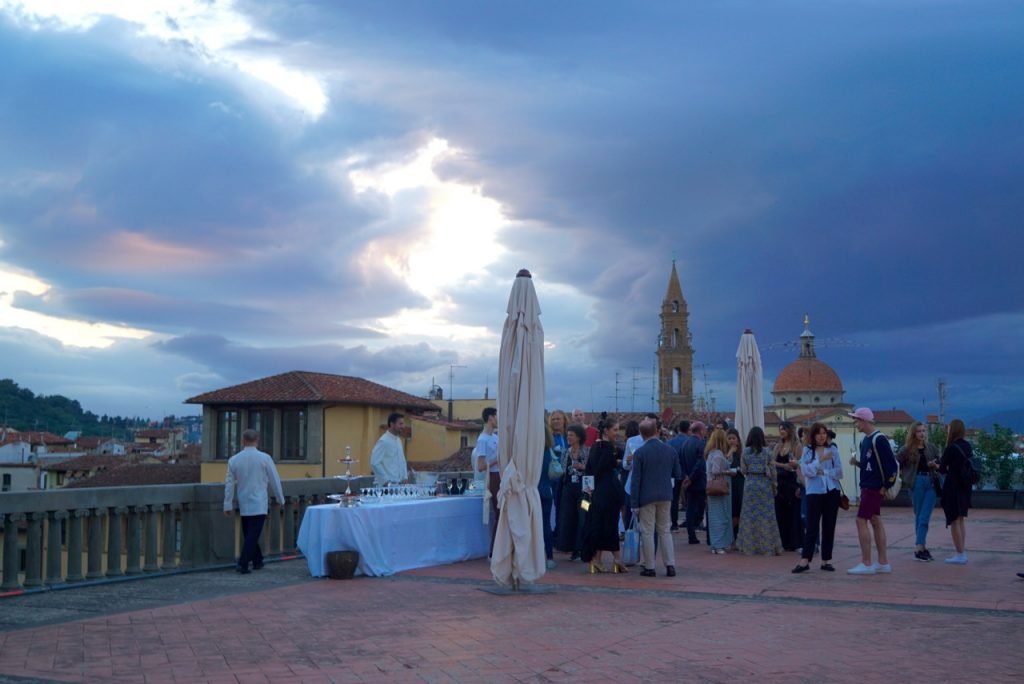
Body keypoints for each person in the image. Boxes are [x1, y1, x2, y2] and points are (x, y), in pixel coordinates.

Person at [223, 429, 285, 574]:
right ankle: (243, 563)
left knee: (249, 534)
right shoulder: (265, 458)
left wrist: (227, 504)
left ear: (243, 441)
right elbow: (274, 480)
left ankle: (257, 561)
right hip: (259, 502)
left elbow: (229, 485)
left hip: (244, 502)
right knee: (253, 535)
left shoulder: (234, 460)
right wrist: (280, 498)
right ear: (257, 440)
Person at [847, 407, 899, 575]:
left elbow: (891, 467)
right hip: (868, 486)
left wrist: (884, 487)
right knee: (876, 521)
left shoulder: (879, 439)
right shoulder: (866, 441)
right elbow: (871, 466)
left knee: (861, 520)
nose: (855, 424)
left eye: (856, 420)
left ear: (864, 420)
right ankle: (883, 562)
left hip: (873, 488)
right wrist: (857, 463)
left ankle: (867, 562)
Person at [630, 418, 681, 577]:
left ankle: (650, 566)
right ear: (657, 431)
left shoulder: (640, 453)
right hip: (666, 494)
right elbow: (677, 473)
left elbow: (636, 480)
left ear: (641, 434)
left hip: (646, 497)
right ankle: (670, 565)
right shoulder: (670, 450)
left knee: (647, 531)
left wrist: (634, 504)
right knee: (665, 530)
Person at [792, 422, 843, 573]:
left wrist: (823, 472)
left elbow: (839, 471)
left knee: (829, 526)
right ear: (813, 435)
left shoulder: (833, 449)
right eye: (818, 433)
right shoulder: (808, 450)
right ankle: (804, 560)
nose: (822, 436)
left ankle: (826, 560)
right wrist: (819, 461)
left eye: (824, 433)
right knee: (812, 525)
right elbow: (807, 471)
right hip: (814, 491)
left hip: (831, 490)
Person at [580, 414, 627, 573]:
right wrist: (617, 462)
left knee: (598, 525)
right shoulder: (606, 449)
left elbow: (590, 471)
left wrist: (587, 493)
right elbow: (599, 470)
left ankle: (598, 560)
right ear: (606, 431)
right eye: (615, 430)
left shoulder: (596, 446)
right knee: (609, 525)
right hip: (607, 493)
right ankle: (616, 560)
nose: (617, 433)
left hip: (597, 493)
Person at [898, 421, 941, 562]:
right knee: (919, 515)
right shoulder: (906, 450)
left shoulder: (932, 448)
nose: (922, 433)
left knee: (924, 516)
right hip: (916, 482)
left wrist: (935, 465)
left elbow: (941, 464)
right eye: (919, 431)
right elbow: (895, 463)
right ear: (913, 433)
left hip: (931, 482)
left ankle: (919, 547)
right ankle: (921, 548)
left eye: (923, 431)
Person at [736, 427, 782, 556]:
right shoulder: (767, 452)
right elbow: (773, 471)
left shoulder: (745, 452)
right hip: (764, 485)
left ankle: (749, 546)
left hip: (750, 484)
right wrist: (775, 485)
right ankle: (768, 546)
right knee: (766, 516)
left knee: (749, 516)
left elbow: (743, 470)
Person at [939, 418, 973, 565]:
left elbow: (941, 467)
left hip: (953, 487)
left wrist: (936, 465)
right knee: (960, 519)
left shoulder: (951, 448)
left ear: (952, 431)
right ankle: (962, 551)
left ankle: (960, 554)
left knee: (953, 520)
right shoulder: (967, 446)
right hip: (965, 487)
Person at [556, 424, 589, 560]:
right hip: (568, 490)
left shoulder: (587, 451)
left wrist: (582, 467)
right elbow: (562, 471)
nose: (568, 437)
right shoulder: (566, 452)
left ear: (579, 437)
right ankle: (572, 548)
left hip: (584, 491)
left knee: (583, 516)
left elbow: (591, 469)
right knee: (569, 517)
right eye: (568, 435)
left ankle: (582, 548)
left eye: (571, 435)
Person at [773, 421, 803, 552]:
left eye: (783, 429)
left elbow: (799, 464)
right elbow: (772, 461)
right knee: (780, 513)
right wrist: (783, 465)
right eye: (780, 429)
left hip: (792, 482)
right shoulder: (778, 445)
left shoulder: (797, 445)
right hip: (780, 482)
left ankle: (795, 542)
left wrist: (799, 485)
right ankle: (783, 542)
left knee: (793, 513)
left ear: (789, 430)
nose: (781, 432)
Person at [704, 428, 734, 555]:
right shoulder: (718, 454)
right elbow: (716, 471)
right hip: (720, 488)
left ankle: (715, 545)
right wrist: (729, 472)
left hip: (711, 488)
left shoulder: (710, 453)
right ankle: (719, 544)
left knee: (714, 517)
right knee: (721, 517)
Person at [475, 407, 499, 556]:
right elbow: (481, 466)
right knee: (499, 512)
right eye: (497, 416)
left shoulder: (496, 437)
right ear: (491, 418)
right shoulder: (482, 439)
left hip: (501, 476)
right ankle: (493, 551)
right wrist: (498, 460)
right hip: (493, 478)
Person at [679, 421, 707, 545]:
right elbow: (700, 463)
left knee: (690, 509)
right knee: (702, 507)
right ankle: (699, 526)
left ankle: (692, 534)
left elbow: (680, 462)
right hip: (699, 481)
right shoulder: (701, 444)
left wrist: (686, 477)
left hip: (688, 482)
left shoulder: (685, 444)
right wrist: (691, 477)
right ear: (701, 431)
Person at [370, 413, 409, 485]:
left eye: (403, 424)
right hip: (385, 489)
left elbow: (402, 461)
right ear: (392, 424)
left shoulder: (398, 440)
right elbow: (374, 462)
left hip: (399, 487)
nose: (403, 426)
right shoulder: (383, 441)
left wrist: (405, 477)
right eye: (400, 424)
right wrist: (385, 481)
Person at [548, 409, 570, 539]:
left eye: (558, 419)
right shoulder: (550, 437)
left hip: (570, 476)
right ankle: (557, 535)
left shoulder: (569, 435)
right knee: (557, 506)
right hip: (555, 478)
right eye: (553, 419)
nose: (556, 421)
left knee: (567, 507)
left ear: (564, 420)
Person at [667, 420, 692, 531]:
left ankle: (674, 524)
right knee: (690, 499)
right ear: (688, 430)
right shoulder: (690, 442)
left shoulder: (670, 442)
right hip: (688, 474)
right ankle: (690, 522)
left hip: (673, 474)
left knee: (674, 499)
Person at [538, 425, 557, 570]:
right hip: (547, 491)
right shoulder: (549, 451)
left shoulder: (533, 452)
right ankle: (549, 557)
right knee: (546, 525)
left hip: (535, 490)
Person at [620, 420, 642, 532]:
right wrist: (629, 462)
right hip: (630, 483)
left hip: (635, 484)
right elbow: (625, 464)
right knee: (628, 511)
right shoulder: (630, 442)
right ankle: (628, 533)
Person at [726, 427, 745, 542]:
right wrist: (730, 452)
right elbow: (724, 464)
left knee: (739, 510)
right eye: (729, 438)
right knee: (731, 511)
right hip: (729, 484)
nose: (732, 441)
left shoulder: (742, 453)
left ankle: (737, 535)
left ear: (738, 440)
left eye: (734, 438)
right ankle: (730, 535)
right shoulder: (725, 452)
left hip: (740, 483)